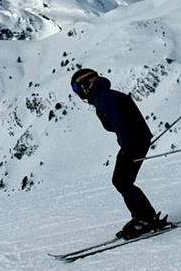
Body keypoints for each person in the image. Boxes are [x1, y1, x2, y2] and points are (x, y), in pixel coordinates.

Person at [71, 68, 169, 239]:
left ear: (86, 84)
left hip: (133, 143)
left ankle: (145, 218)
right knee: (122, 181)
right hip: (135, 141)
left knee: (122, 181)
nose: (77, 93)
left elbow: (120, 123)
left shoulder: (104, 99)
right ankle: (143, 216)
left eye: (76, 88)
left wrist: (128, 146)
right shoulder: (105, 96)